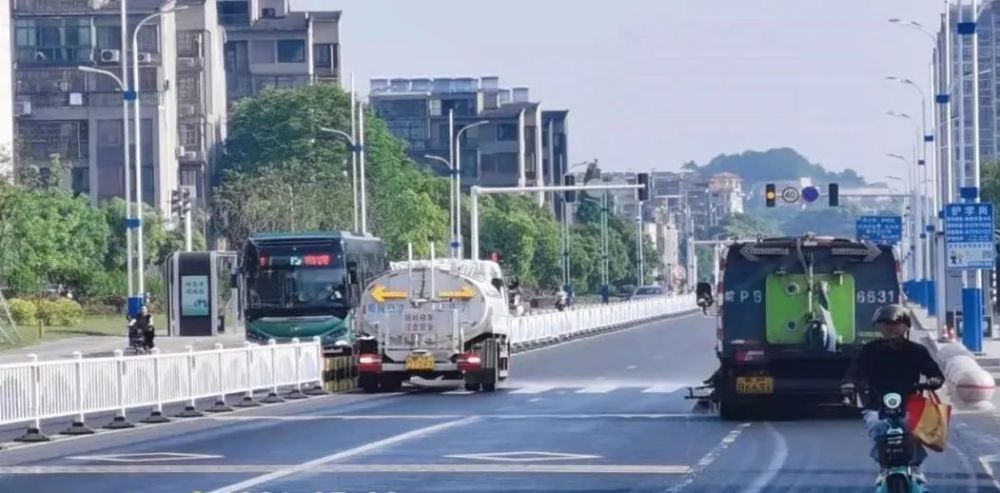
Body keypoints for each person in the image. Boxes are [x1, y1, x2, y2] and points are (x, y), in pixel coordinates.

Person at [841, 304, 944, 486]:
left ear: (906, 326)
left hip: (910, 402)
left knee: (912, 428)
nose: (892, 327)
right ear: (879, 327)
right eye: (886, 323)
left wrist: (934, 381)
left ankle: (916, 466)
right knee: (877, 426)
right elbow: (854, 371)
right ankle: (884, 466)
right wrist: (849, 384)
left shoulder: (917, 351)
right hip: (876, 403)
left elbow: (935, 373)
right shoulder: (869, 351)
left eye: (898, 323)